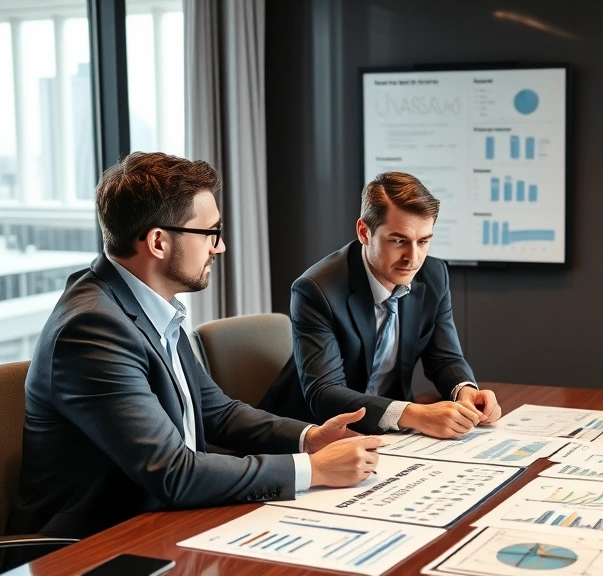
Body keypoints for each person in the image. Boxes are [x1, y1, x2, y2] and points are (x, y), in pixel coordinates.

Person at [4, 153, 381, 567]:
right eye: (210, 232)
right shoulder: (92, 328)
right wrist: (312, 469)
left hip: (166, 521)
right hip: (94, 547)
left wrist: (310, 438)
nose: (220, 246)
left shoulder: (146, 305)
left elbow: (217, 412)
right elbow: (173, 472)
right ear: (158, 242)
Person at [289, 172, 501, 438]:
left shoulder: (434, 275)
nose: (413, 258)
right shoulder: (316, 290)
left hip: (389, 431)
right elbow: (325, 393)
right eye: (398, 241)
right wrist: (415, 414)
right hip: (317, 433)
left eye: (423, 241)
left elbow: (444, 357)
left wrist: (465, 391)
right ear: (364, 232)